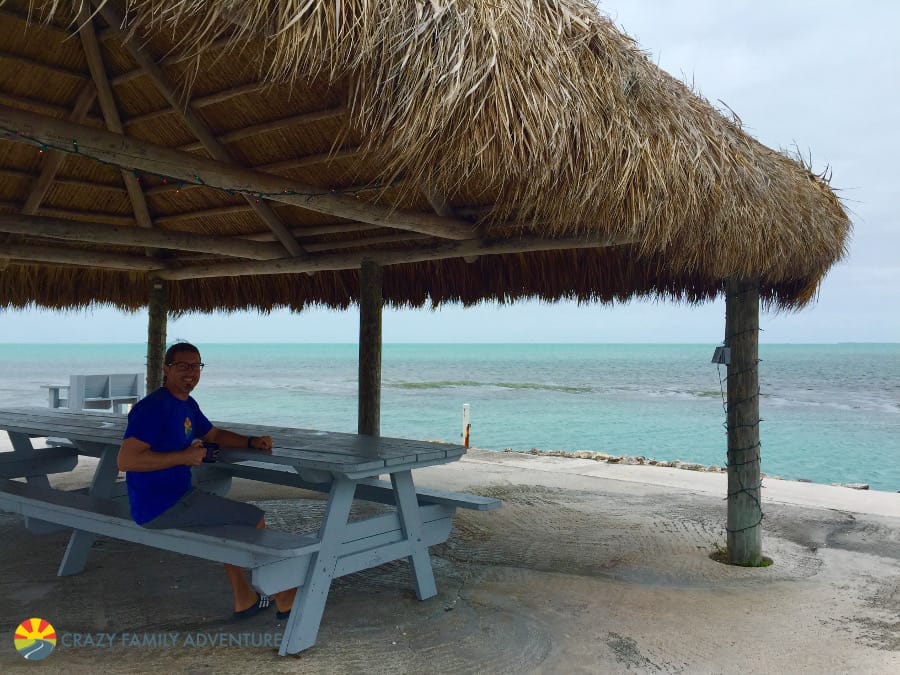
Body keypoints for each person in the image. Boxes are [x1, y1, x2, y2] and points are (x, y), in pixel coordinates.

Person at [117, 341, 296, 620]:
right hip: (161, 506)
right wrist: (183, 457)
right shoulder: (153, 408)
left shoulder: (186, 404)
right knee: (253, 519)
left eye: (196, 366)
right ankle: (284, 599)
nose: (190, 372)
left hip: (177, 498)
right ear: (166, 369)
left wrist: (250, 441)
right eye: (182, 366)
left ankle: (245, 598)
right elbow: (126, 460)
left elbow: (213, 435)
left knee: (228, 520)